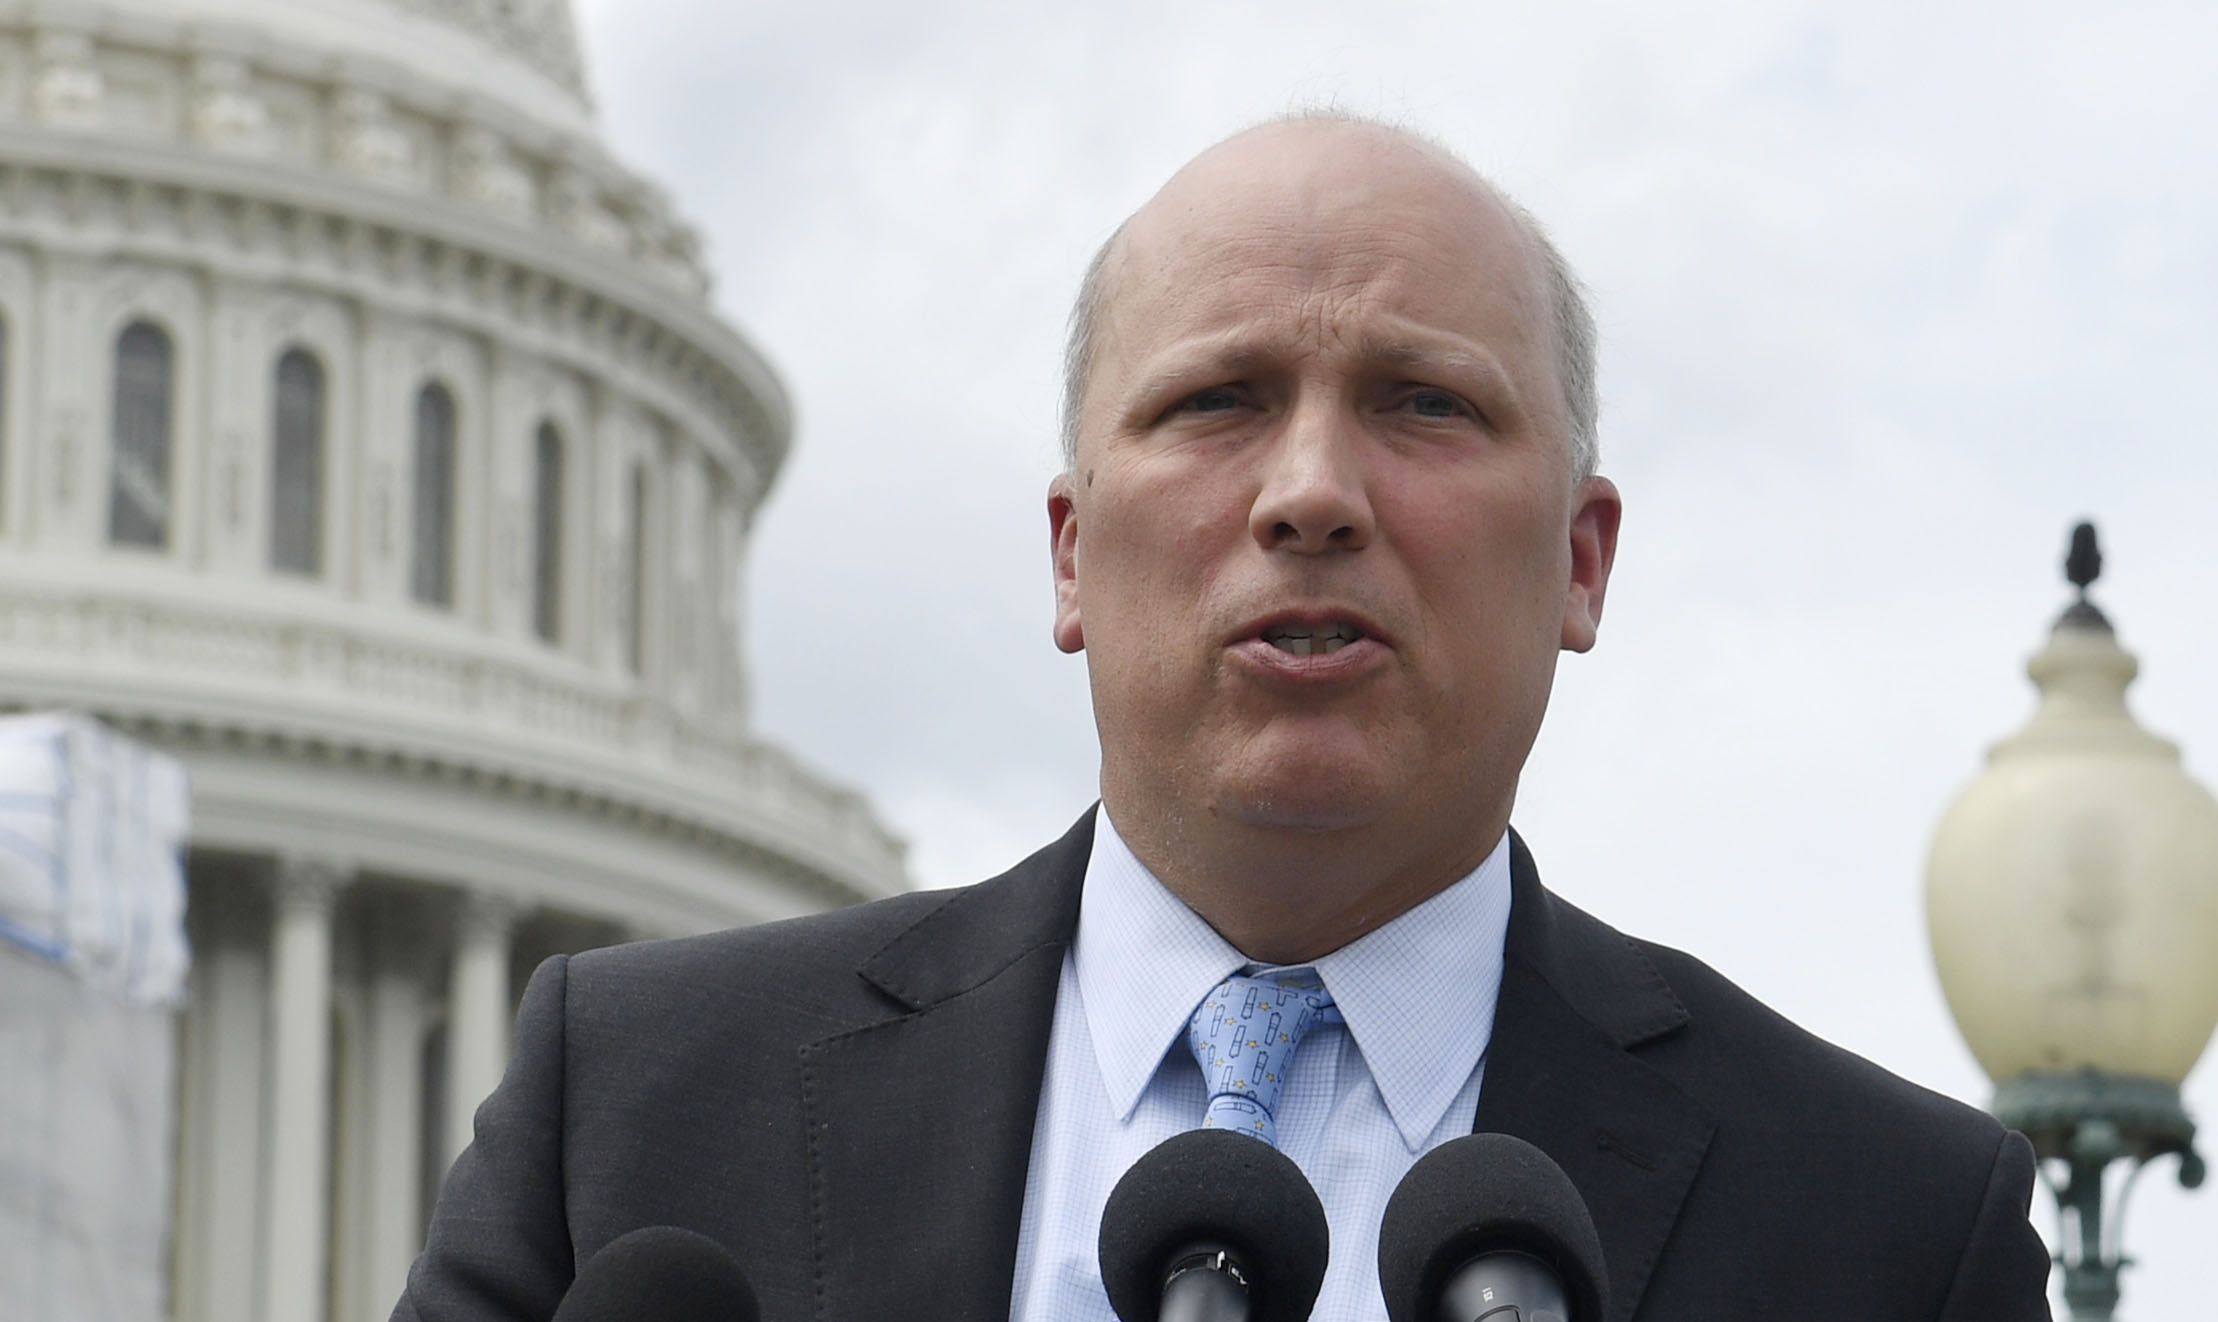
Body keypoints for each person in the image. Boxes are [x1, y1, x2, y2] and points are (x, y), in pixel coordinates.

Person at [394, 116, 2052, 1321]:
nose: (1311, 492)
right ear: (1067, 551)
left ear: (1580, 560)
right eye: (1216, 401)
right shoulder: (632, 1113)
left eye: (1422, 402)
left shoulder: (1890, 1229)